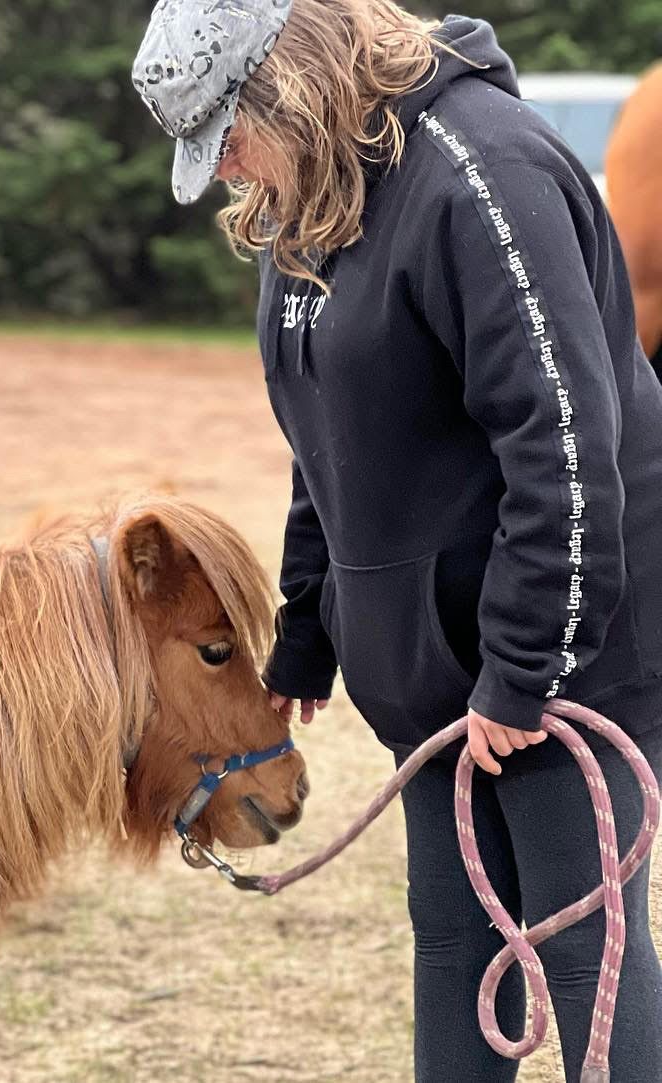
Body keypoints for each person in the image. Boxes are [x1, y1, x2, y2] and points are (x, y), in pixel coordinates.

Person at [132, 2, 662, 1081]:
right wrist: (311, 632)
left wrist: (521, 675)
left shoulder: (483, 176)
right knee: (455, 943)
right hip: (434, 668)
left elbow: (564, 444)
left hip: (563, 659)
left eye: (226, 135)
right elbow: (324, 442)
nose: (224, 170)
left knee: (582, 953)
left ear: (285, 82)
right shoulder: (315, 196)